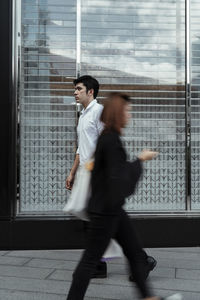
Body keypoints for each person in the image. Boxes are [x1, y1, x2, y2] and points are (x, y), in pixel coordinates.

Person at [66, 93, 182, 300]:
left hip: (111, 208)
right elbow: (118, 179)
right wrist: (140, 159)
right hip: (106, 212)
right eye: (127, 110)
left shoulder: (108, 138)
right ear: (118, 113)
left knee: (136, 254)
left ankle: (148, 298)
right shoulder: (110, 140)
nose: (130, 114)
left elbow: (111, 174)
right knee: (90, 261)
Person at [66, 75, 156, 280]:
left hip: (98, 177)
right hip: (88, 175)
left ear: (91, 92)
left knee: (106, 221)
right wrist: (72, 172)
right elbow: (82, 148)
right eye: (75, 89)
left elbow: (104, 144)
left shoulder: (98, 113)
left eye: (79, 89)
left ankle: (139, 261)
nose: (75, 92)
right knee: (96, 220)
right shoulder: (82, 116)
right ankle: (104, 264)